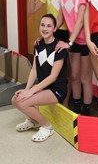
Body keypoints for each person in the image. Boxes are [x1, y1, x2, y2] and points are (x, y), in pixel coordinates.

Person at [12, 14, 68, 142]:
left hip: (56, 90)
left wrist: (31, 92)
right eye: (42, 25)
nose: (45, 28)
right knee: (15, 100)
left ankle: (47, 127)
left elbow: (53, 77)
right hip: (42, 88)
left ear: (54, 29)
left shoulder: (59, 48)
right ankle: (33, 121)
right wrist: (26, 89)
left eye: (49, 26)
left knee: (22, 102)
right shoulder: (38, 44)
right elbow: (34, 70)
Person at [28, 0, 71, 107]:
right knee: (48, 68)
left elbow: (64, 17)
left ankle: (64, 103)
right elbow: (31, 9)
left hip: (65, 34)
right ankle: (48, 99)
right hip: (51, 31)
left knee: (66, 73)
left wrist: (49, 33)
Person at [56, 0, 93, 116]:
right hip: (73, 41)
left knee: (85, 78)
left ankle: (87, 110)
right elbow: (60, 19)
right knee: (74, 75)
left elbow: (80, 21)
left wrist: (69, 41)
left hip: (85, 41)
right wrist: (47, 32)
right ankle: (76, 106)